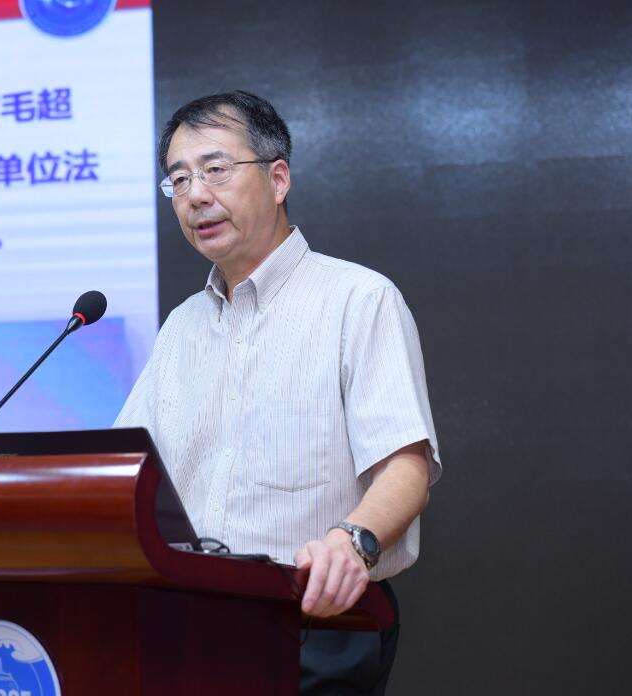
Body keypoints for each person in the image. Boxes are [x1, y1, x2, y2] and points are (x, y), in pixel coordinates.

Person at [114, 90, 442, 695]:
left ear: (278, 178)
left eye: (215, 169)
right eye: (179, 180)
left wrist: (352, 543)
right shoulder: (182, 326)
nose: (195, 195)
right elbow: (124, 470)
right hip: (187, 621)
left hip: (312, 623)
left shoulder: (357, 300)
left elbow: (405, 466)